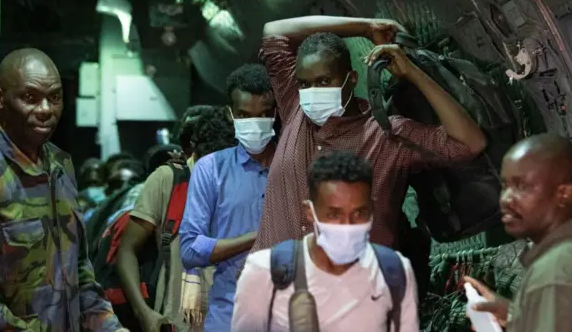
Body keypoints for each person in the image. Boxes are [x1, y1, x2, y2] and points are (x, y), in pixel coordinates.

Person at [252, 16, 487, 253]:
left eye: (324, 81)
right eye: (304, 84)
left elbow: (469, 143)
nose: (312, 92)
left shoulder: (388, 136)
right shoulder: (295, 109)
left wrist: (412, 73)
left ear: (351, 80)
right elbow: (274, 31)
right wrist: (366, 27)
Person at [0, 48, 126, 331]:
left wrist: (110, 326)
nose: (45, 110)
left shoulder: (60, 165)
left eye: (54, 98)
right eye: (30, 98)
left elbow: (78, 271)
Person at [232, 151, 419, 332]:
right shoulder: (264, 272)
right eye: (334, 214)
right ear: (309, 212)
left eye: (358, 213)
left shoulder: (394, 272)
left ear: (371, 209)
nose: (347, 225)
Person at [465, 134, 572, 332]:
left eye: (522, 186)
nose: (506, 199)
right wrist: (515, 315)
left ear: (564, 194)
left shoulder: (556, 274)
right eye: (505, 186)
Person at [117, 106, 236, 332]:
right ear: (195, 151)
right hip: (173, 324)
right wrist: (143, 312)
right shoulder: (167, 181)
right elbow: (127, 251)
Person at [179, 64, 277, 332]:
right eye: (245, 115)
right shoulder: (210, 169)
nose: (255, 123)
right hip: (229, 319)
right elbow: (189, 249)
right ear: (230, 114)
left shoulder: (292, 166)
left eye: (264, 114)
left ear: (275, 114)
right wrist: (257, 237)